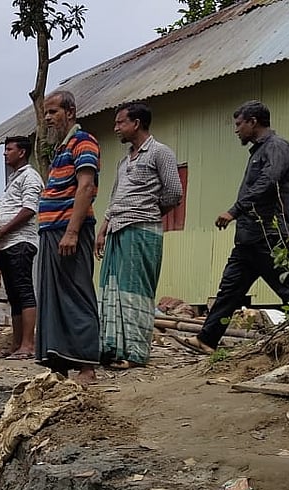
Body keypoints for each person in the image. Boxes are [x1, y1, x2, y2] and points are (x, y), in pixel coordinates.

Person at [180, 100, 289, 354]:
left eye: (239, 124)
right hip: (249, 238)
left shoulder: (277, 146)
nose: (236, 130)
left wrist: (234, 211)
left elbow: (268, 182)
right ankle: (207, 340)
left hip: (268, 235)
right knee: (229, 290)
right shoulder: (258, 151)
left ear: (253, 122)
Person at [95, 101, 183, 368]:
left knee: (135, 291)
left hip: (142, 230)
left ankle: (134, 353)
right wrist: (103, 228)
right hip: (117, 229)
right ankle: (112, 348)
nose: (116, 128)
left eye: (120, 122)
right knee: (112, 289)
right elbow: (115, 198)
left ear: (136, 123)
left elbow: (174, 192)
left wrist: (149, 211)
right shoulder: (124, 161)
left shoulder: (160, 152)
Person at [36, 90, 101, 383]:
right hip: (52, 231)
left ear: (70, 112)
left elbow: (85, 187)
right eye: (46, 113)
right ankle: (59, 363)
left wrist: (72, 232)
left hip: (69, 230)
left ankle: (87, 366)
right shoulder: (61, 149)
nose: (48, 118)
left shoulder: (83, 142)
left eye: (53, 112)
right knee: (54, 299)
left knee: (77, 294)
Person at [0, 135, 42, 360]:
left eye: (9, 149)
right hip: (6, 244)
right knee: (14, 295)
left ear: (22, 152)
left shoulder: (30, 176)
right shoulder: (14, 178)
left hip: (20, 242)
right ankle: (16, 344)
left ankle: (28, 345)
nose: (5, 153)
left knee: (24, 292)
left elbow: (29, 209)